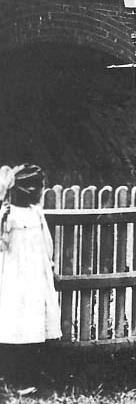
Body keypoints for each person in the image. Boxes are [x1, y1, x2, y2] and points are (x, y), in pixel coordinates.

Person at [0, 164, 61, 384]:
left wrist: (48, 265)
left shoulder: (35, 213)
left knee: (29, 319)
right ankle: (13, 375)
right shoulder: (8, 215)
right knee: (15, 318)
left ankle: (26, 374)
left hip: (31, 275)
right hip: (16, 275)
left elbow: (46, 242)